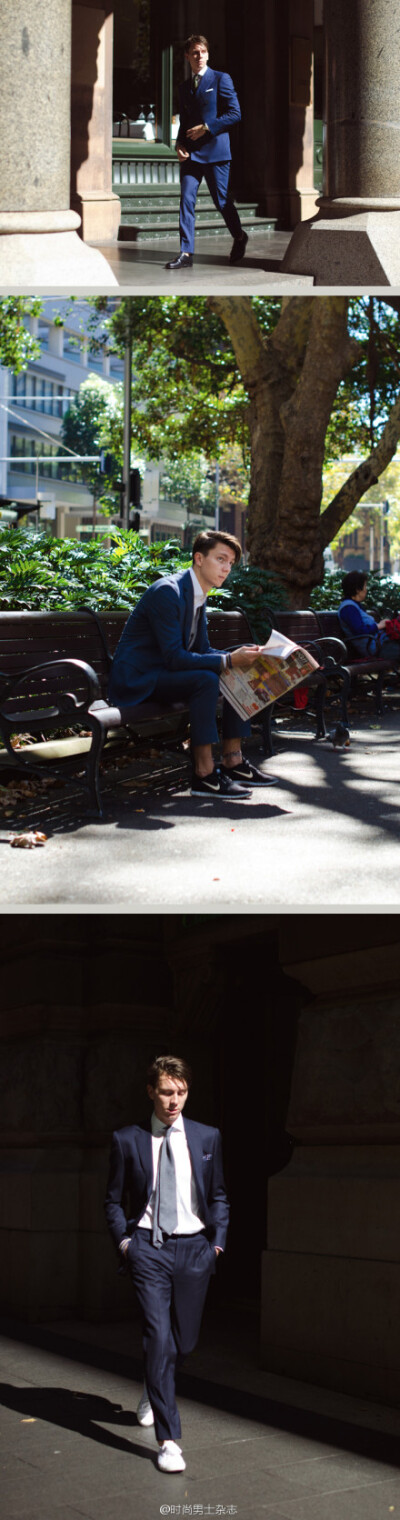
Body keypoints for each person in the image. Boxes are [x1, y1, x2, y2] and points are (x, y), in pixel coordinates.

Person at [104, 1054, 229, 1474]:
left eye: (181, 1092)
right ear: (150, 1091)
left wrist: (217, 1245)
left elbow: (218, 1195)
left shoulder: (207, 1136)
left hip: (195, 1249)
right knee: (157, 1335)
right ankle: (169, 1438)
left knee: (184, 1343)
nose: (174, 1101)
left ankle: (151, 1384)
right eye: (166, 1092)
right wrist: (126, 1242)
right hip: (148, 1248)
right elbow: (113, 1199)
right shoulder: (127, 1139)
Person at [108, 527, 277, 799]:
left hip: (164, 674)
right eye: (220, 559)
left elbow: (202, 650)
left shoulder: (196, 595)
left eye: (230, 563)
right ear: (199, 558)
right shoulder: (169, 592)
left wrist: (239, 658)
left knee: (236, 670)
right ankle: (204, 774)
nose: (226, 568)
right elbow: (174, 657)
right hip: (139, 679)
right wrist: (227, 659)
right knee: (207, 678)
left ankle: (233, 762)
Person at [165, 34, 248, 271]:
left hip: (216, 153)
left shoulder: (221, 79)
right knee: (186, 199)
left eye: (202, 51)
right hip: (191, 154)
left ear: (208, 54)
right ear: (187, 56)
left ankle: (240, 237)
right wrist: (179, 144)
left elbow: (235, 113)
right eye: (194, 52)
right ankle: (186, 253)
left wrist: (208, 128)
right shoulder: (183, 87)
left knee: (221, 201)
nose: (199, 56)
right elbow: (184, 121)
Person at [339, 570, 400, 660]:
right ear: (357, 589)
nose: (366, 589)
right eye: (365, 586)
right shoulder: (349, 608)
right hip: (376, 649)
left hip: (380, 644)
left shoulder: (354, 606)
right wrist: (379, 626)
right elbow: (359, 630)